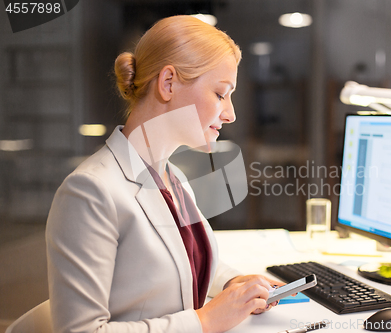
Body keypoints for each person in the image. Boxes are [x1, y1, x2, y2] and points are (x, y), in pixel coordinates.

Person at [46, 15, 282, 333]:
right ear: (168, 83)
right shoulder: (90, 191)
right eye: (220, 93)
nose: (230, 113)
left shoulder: (172, 179)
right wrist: (206, 320)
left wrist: (234, 283)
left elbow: (182, 262)